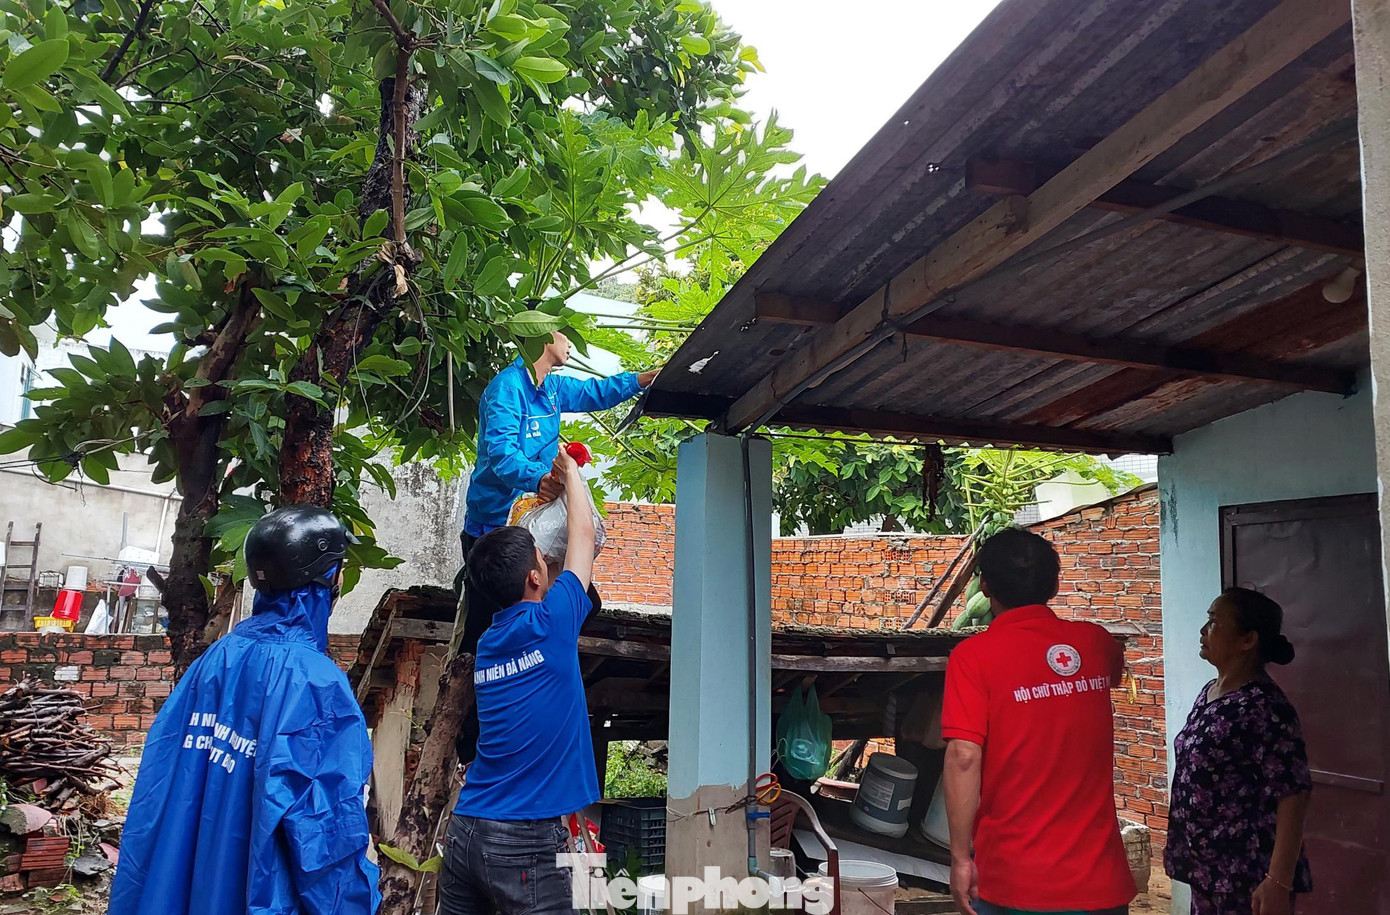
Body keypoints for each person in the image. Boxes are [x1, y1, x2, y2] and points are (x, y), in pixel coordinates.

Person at [109, 506, 379, 915]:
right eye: (339, 566)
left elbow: (160, 779)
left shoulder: (218, 657)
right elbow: (325, 833)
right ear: (325, 576)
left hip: (186, 886)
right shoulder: (316, 683)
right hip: (258, 892)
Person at [455, 330, 657, 762]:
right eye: (565, 335)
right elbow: (500, 455)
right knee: (483, 629)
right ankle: (471, 739)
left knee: (586, 601)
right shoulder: (506, 389)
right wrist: (540, 479)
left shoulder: (553, 388)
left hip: (532, 523)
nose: (571, 345)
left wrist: (643, 379)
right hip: (496, 523)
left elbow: (596, 392)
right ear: (543, 338)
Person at [438, 445, 598, 915]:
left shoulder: (489, 641)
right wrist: (570, 472)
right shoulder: (553, 623)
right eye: (540, 557)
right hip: (523, 839)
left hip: (467, 828)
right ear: (534, 575)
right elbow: (583, 535)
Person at [941, 528, 1135, 915]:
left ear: (984, 585)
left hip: (1014, 880)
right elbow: (1113, 674)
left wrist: (961, 858)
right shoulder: (1097, 644)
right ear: (1055, 584)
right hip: (1100, 880)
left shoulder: (973, 658)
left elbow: (964, 756)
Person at [1165, 588, 1312, 915]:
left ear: (1247, 640)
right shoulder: (1210, 693)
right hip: (1207, 870)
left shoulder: (1266, 708)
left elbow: (1293, 794)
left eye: (1214, 622)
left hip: (1246, 875)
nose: (1204, 631)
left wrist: (1277, 881)